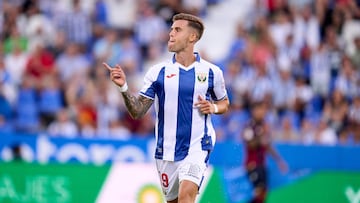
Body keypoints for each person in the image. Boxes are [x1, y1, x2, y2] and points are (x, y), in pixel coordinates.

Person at [104, 13, 229, 203]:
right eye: (171, 29)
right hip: (166, 152)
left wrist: (213, 107)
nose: (170, 34)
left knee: (187, 195)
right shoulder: (157, 72)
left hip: (197, 146)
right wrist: (123, 87)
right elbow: (137, 111)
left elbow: (224, 103)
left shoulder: (212, 72)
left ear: (192, 37)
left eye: (177, 30)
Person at [242, 101, 287, 203]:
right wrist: (261, 134)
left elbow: (267, 145)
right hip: (252, 165)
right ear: (254, 111)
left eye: (264, 110)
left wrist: (279, 160)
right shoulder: (249, 126)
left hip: (262, 165)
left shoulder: (263, 126)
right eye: (261, 110)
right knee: (259, 190)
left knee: (263, 194)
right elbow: (250, 144)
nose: (263, 112)